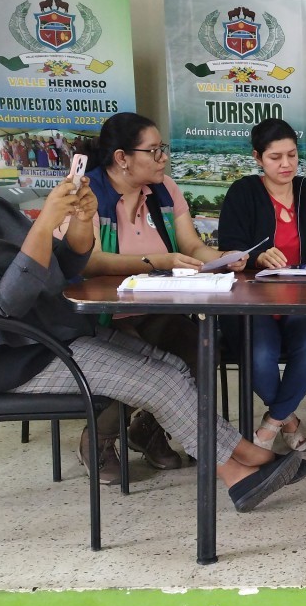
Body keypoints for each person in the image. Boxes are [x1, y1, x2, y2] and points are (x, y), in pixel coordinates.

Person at [0, 118, 306, 511]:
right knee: (159, 382)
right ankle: (236, 473)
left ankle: (246, 453)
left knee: (173, 368)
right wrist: (43, 223)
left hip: (55, 337)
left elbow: (65, 265)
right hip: (10, 361)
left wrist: (81, 221)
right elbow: (3, 306)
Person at [82, 111, 249, 474]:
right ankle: (99, 439)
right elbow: (90, 261)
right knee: (140, 364)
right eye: (154, 151)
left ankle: (148, 429)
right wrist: (155, 261)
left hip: (158, 307)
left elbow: (191, 245)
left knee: (202, 348)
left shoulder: (164, 190)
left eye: (163, 149)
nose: (163, 158)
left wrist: (223, 258)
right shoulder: (88, 193)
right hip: (105, 313)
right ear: (122, 158)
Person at [218, 118, 306, 453]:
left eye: (292, 155)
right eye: (275, 157)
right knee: (260, 355)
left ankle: (270, 425)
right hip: (254, 303)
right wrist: (257, 258)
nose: (286, 164)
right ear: (258, 158)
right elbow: (231, 249)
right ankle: (290, 420)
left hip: (302, 300)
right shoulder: (243, 193)